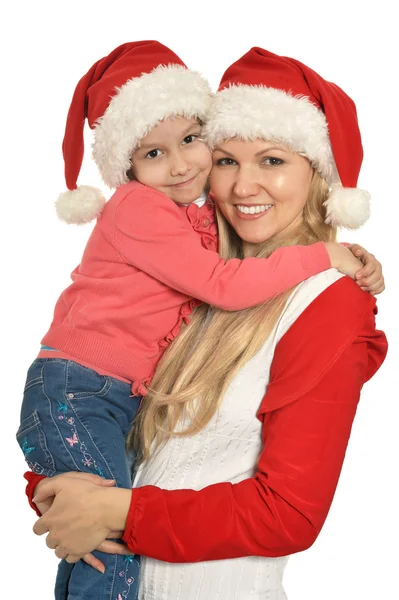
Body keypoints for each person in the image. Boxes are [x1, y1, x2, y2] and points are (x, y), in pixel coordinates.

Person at [18, 39, 380, 600]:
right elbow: (148, 441)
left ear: (320, 175)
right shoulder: (205, 281)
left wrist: (114, 508)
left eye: (274, 161)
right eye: (228, 159)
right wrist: (63, 491)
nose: (241, 186)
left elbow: (287, 514)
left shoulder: (326, 301)